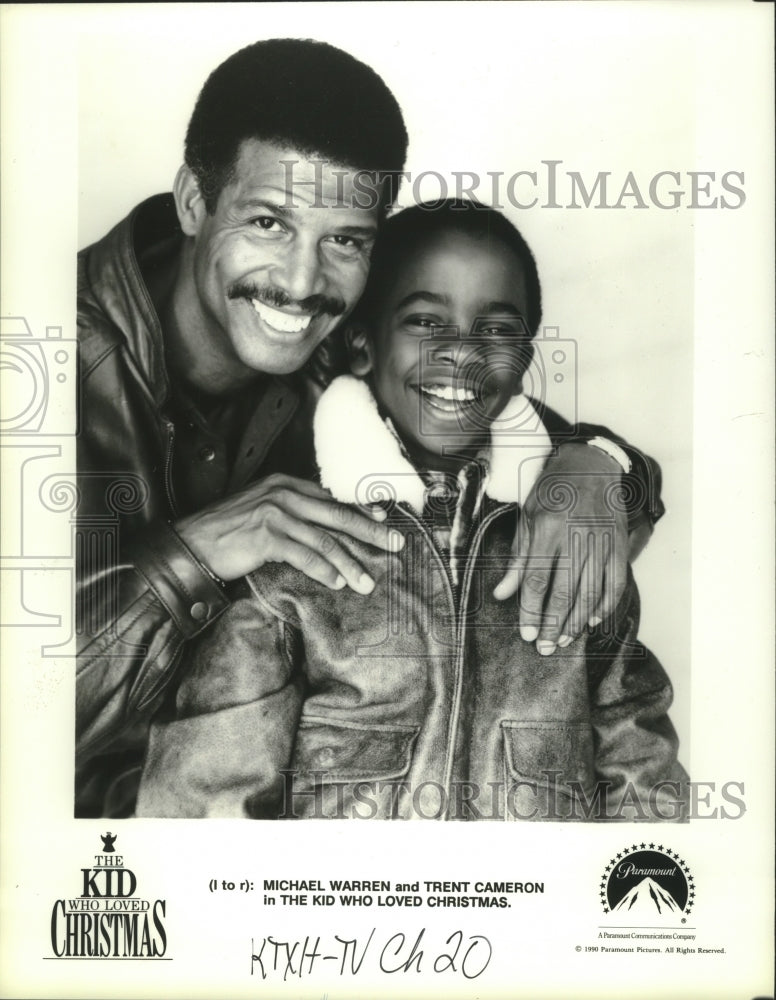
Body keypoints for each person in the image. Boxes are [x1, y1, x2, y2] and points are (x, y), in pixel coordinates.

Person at [76, 39, 663, 818]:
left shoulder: (338, 346)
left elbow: (484, 418)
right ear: (194, 201)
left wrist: (598, 463)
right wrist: (195, 555)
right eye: (267, 222)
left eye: (345, 240)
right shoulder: (39, 365)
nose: (301, 282)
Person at [135, 200, 686, 821]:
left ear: (527, 356)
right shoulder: (289, 557)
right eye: (426, 321)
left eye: (498, 329)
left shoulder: (574, 546)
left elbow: (640, 775)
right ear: (363, 345)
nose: (463, 351)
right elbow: (204, 807)